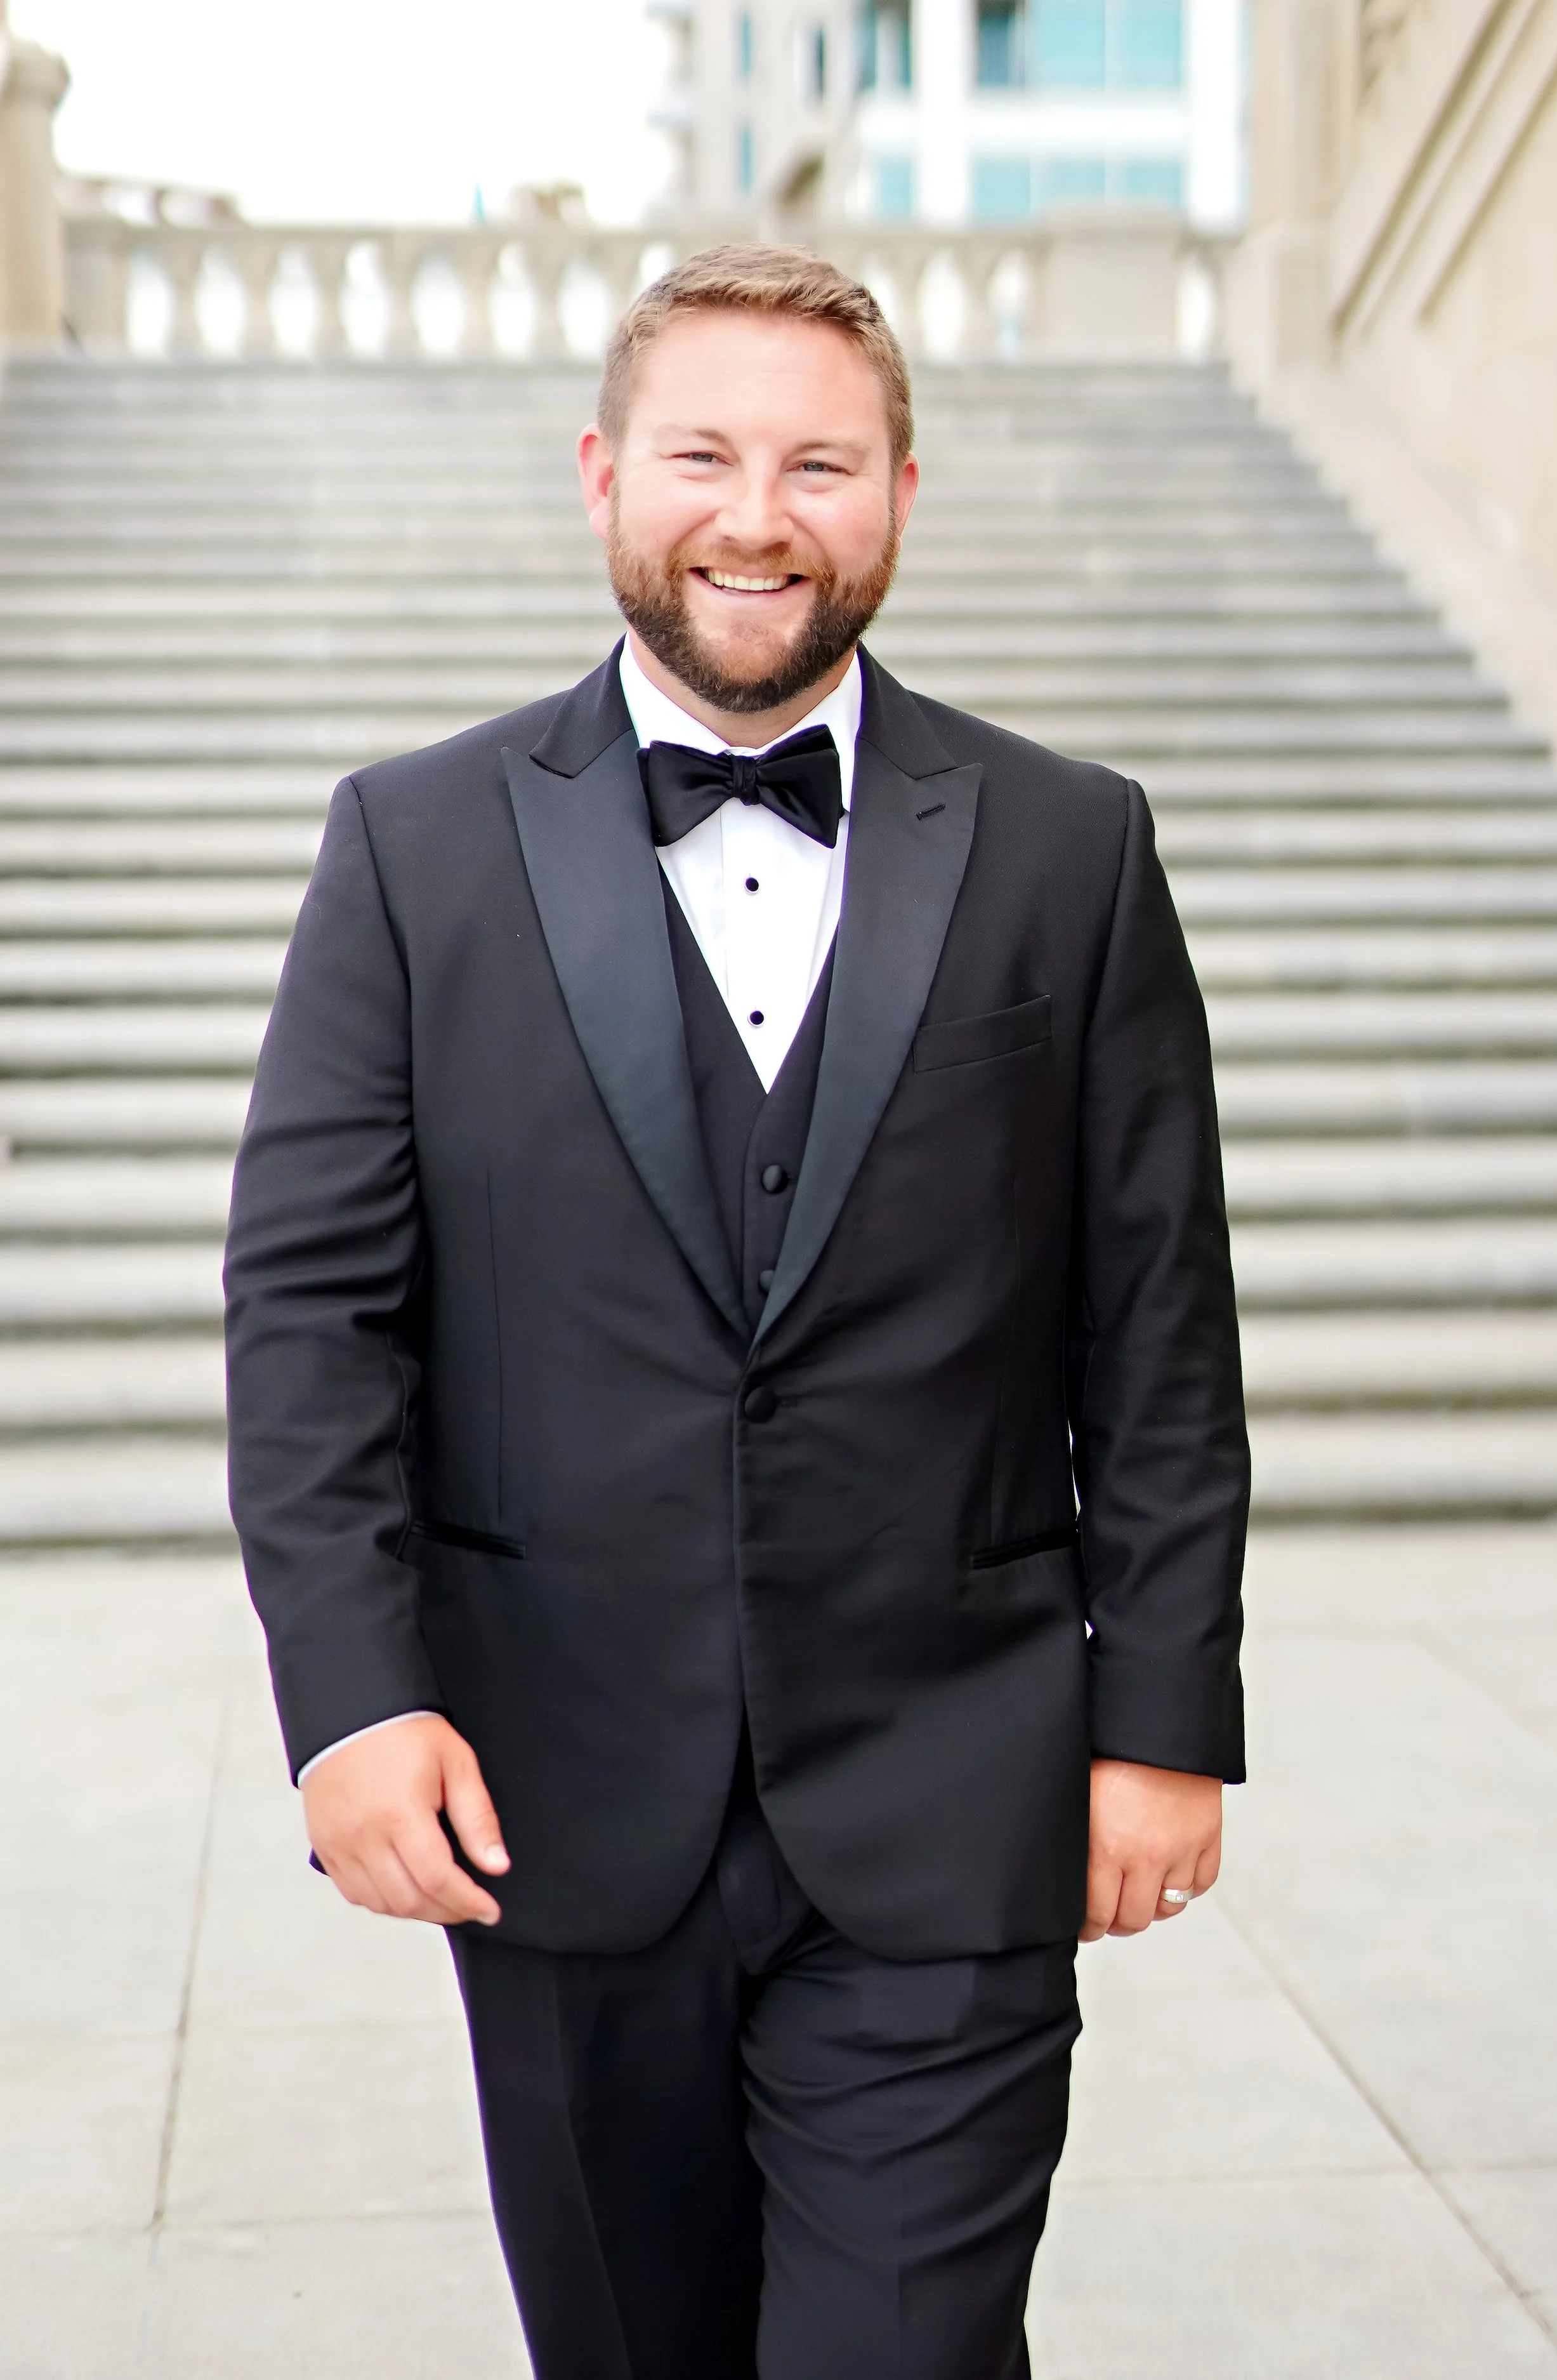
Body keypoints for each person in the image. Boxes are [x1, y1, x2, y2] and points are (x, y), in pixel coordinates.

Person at [225, 244, 1248, 2380]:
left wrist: (1161, 1715)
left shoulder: (1069, 845)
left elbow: (1156, 1321)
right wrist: (349, 1697)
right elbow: (313, 1314)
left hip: (955, 1783)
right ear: (604, 472)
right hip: (552, 1788)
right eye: (701, 455)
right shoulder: (413, 844)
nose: (757, 519)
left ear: (900, 495)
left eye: (819, 465)